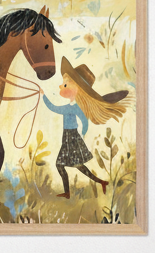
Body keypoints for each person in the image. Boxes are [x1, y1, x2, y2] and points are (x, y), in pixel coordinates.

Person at [42, 57, 128, 198]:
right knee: (76, 165)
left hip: (71, 138)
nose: (60, 86)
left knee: (62, 164)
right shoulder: (73, 107)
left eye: (65, 84)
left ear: (77, 89)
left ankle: (69, 192)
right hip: (70, 137)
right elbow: (84, 121)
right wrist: (83, 132)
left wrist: (43, 96)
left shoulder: (71, 109)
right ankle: (100, 182)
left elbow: (55, 108)